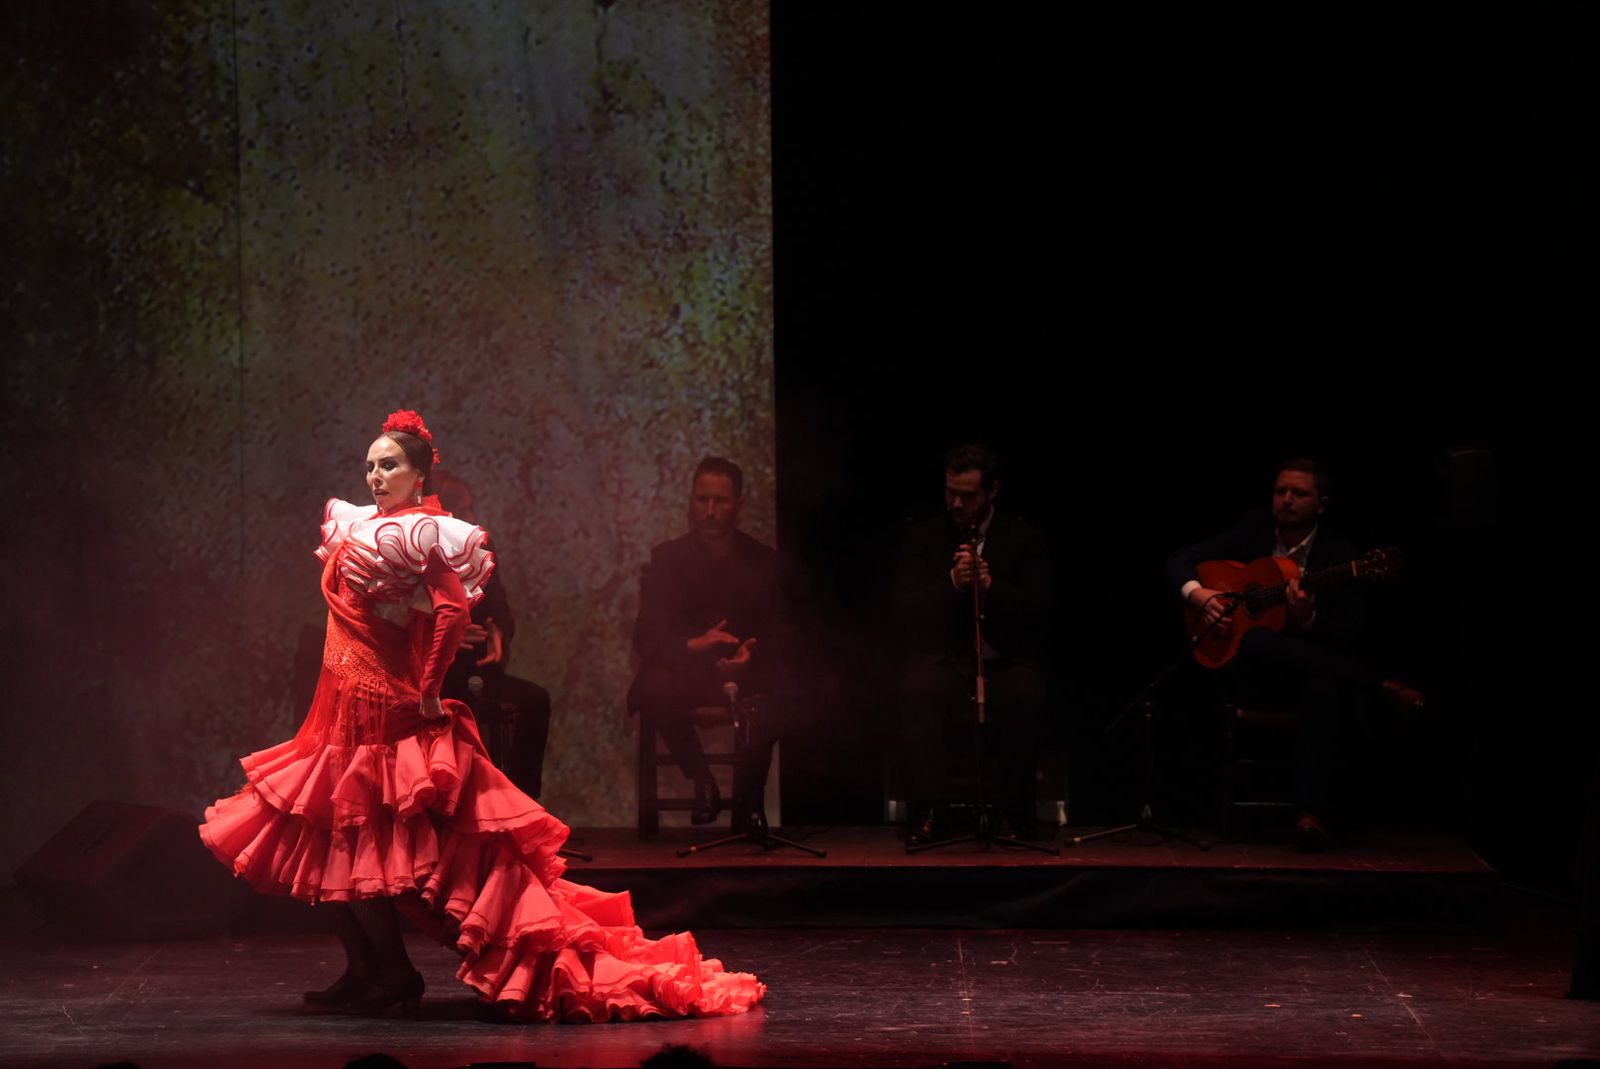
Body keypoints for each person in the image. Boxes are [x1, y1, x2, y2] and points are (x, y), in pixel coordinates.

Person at [200, 411, 763, 1021]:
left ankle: (394, 973)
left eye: (390, 464)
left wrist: (428, 686)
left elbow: (449, 609)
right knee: (324, 838)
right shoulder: (362, 526)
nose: (375, 475)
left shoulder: (423, 533)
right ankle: (367, 969)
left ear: (420, 474)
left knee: (357, 845)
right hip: (345, 707)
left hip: (386, 712)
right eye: (370, 465)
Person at [1167, 457, 1399, 850]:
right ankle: (1376, 685)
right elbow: (1179, 560)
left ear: (1321, 504)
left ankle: (1309, 815)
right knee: (1256, 639)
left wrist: (1308, 620)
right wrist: (1200, 595)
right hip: (1250, 675)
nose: (1287, 499)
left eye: (1299, 493)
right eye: (1280, 491)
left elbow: (1350, 634)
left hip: (1310, 674)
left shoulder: (1340, 555)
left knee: (1322, 692)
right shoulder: (1252, 530)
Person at [893, 443, 1053, 842]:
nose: (957, 503)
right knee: (917, 691)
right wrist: (950, 583)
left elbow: (1041, 611)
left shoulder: (1024, 539)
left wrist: (989, 586)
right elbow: (904, 609)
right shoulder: (923, 538)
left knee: (1027, 695)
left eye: (967, 494)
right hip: (945, 661)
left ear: (992, 491)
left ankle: (1013, 815)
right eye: (951, 492)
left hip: (1004, 660)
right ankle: (929, 812)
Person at [628, 457, 788, 829]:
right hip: (687, 672)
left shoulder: (763, 560)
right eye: (702, 500)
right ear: (691, 502)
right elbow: (646, 635)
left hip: (745, 671)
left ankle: (749, 805)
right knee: (653, 684)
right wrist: (693, 645)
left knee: (783, 687)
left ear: (739, 504)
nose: (711, 511)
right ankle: (702, 780)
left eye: (721, 501)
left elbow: (781, 629)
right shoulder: (668, 558)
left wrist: (750, 652)